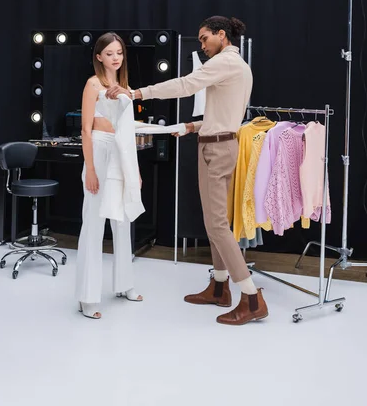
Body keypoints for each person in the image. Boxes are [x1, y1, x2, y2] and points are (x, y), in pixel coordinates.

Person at [106, 17, 269, 326]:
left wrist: (136, 93)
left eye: (205, 38)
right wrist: (192, 126)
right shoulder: (234, 65)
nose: (202, 44)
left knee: (218, 225)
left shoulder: (226, 62)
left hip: (218, 148)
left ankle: (251, 298)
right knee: (214, 223)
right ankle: (220, 287)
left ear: (222, 35)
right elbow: (224, 112)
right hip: (214, 142)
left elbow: (186, 84)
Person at [75, 32, 143, 320]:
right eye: (110, 53)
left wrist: (135, 170)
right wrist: (90, 168)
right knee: (94, 222)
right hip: (100, 152)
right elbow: (86, 129)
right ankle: (87, 297)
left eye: (119, 52)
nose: (116, 57)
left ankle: (124, 283)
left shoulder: (124, 86)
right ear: (99, 56)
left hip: (122, 153)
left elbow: (129, 132)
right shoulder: (93, 85)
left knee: (123, 218)